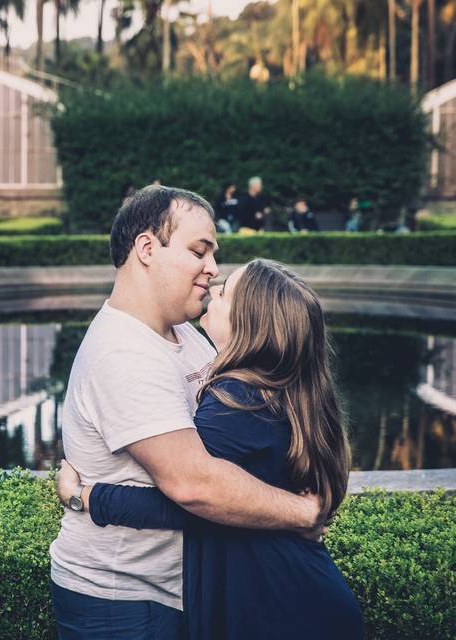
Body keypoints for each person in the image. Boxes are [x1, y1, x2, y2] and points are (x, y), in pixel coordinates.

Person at [48, 185, 324, 639]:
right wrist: (300, 513)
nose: (212, 269)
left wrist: (84, 494)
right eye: (199, 251)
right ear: (146, 248)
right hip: (125, 602)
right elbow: (195, 486)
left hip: (181, 591)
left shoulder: (184, 332)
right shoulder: (123, 354)